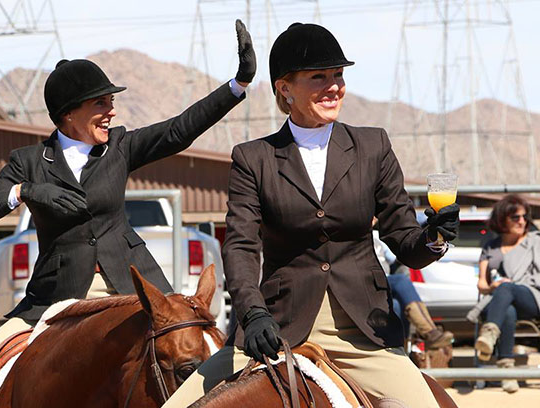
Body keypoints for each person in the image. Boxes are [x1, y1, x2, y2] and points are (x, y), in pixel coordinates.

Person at [0, 20, 256, 408]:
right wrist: (24, 191)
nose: (111, 110)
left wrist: (237, 85)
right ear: (69, 114)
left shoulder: (120, 147)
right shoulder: (27, 163)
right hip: (56, 301)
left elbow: (179, 130)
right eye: (101, 103)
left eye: (111, 102)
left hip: (133, 292)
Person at [162, 22, 460, 408]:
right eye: (319, 77)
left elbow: (404, 239)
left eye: (338, 75)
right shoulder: (253, 158)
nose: (334, 86)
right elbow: (241, 247)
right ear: (285, 88)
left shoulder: (373, 146)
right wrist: (252, 315)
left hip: (361, 330)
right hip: (278, 327)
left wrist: (433, 237)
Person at [473, 194, 540, 393]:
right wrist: (493, 287)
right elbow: (482, 285)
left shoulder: (534, 242)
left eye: (524, 217)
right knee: (507, 309)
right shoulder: (490, 248)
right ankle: (507, 372)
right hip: (498, 303)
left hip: (530, 296)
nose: (522, 221)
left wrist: (505, 285)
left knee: (507, 287)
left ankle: (489, 334)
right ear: (502, 219)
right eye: (516, 217)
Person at [373, 223, 453, 349]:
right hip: (370, 281)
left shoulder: (378, 237)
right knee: (401, 281)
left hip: (386, 282)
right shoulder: (352, 238)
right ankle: (429, 332)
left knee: (397, 305)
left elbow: (396, 259)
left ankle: (401, 349)